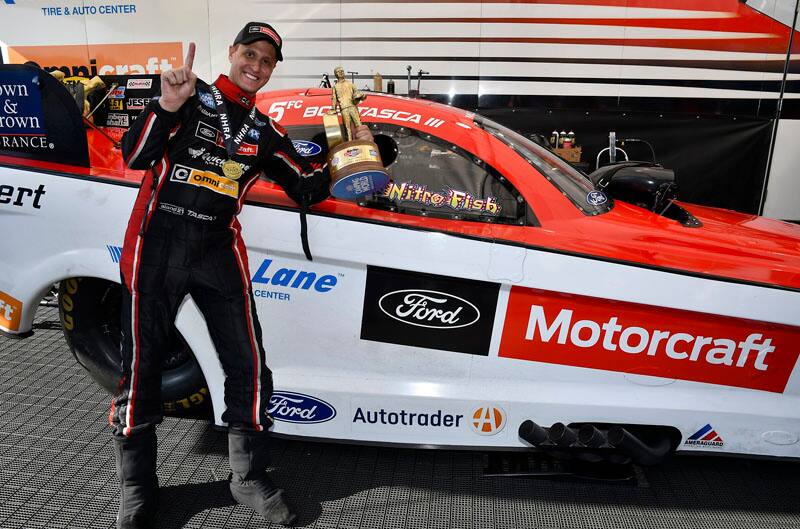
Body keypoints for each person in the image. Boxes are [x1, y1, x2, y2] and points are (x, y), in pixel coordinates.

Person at [113, 22, 373, 529]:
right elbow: (135, 155)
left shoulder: (266, 132)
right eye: (249, 54)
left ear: (273, 69)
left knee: (250, 366)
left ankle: (248, 476)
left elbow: (305, 187)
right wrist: (167, 106)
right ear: (231, 52)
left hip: (217, 251)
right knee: (140, 371)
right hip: (156, 247)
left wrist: (360, 154)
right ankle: (137, 488)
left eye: (266, 61)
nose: (255, 65)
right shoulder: (188, 96)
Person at [329, 65, 365, 141]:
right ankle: (349, 143)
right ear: (336, 74)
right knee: (347, 128)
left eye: (342, 71)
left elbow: (357, 93)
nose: (341, 72)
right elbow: (334, 99)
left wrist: (361, 96)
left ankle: (362, 141)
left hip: (352, 106)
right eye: (339, 71)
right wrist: (333, 109)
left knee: (358, 124)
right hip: (344, 109)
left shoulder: (350, 84)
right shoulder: (335, 87)